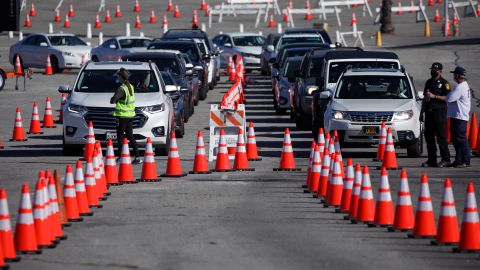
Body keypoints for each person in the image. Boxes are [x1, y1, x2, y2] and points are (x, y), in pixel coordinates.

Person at [427, 66, 471, 168]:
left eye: (454, 74)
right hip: (457, 116)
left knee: (461, 139)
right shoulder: (463, 85)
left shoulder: (460, 87)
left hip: (459, 117)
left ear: (457, 75)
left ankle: (465, 160)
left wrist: (435, 96)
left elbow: (450, 98)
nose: (453, 76)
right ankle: (459, 160)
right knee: (456, 140)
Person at [421, 63, 451, 167]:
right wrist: (422, 112)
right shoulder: (428, 82)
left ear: (440, 71)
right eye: (432, 69)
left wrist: (435, 97)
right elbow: (425, 98)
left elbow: (448, 98)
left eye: (435, 70)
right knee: (429, 137)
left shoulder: (445, 83)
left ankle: (446, 159)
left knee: (441, 137)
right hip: (429, 112)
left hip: (439, 112)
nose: (433, 71)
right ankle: (431, 160)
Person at [110, 68, 142, 164]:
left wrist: (114, 97)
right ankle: (137, 157)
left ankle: (120, 158)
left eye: (118, 77)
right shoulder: (130, 87)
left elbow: (112, 101)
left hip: (122, 116)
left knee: (120, 137)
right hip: (130, 116)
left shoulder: (121, 88)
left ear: (121, 77)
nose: (118, 78)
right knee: (130, 136)